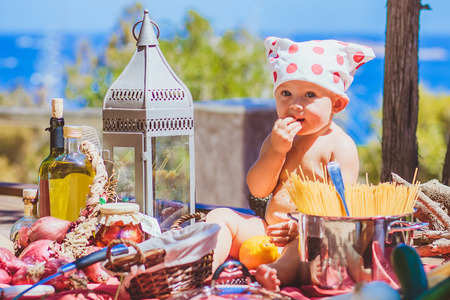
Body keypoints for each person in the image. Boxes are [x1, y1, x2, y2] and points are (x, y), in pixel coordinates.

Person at [205, 37, 375, 282]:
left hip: (309, 239)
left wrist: (302, 227)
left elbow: (341, 210)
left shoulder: (339, 145)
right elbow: (258, 187)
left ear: (337, 104)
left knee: (307, 245)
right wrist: (276, 151)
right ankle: (206, 268)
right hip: (267, 233)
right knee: (220, 216)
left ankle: (275, 274)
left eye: (309, 95)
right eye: (286, 93)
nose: (295, 104)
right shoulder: (277, 139)